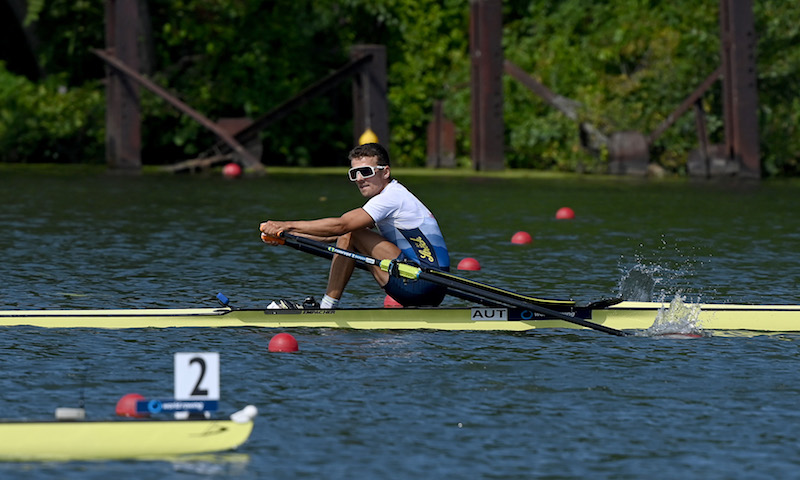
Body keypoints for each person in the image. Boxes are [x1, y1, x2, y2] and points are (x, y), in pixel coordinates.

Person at [259, 143, 449, 308]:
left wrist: (286, 225)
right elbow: (334, 237)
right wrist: (284, 236)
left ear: (385, 172)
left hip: (421, 282)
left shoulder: (391, 197)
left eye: (366, 172)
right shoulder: (394, 196)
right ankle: (327, 306)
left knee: (352, 231)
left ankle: (327, 307)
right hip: (431, 286)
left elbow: (342, 226)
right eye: (354, 173)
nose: (359, 178)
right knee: (351, 233)